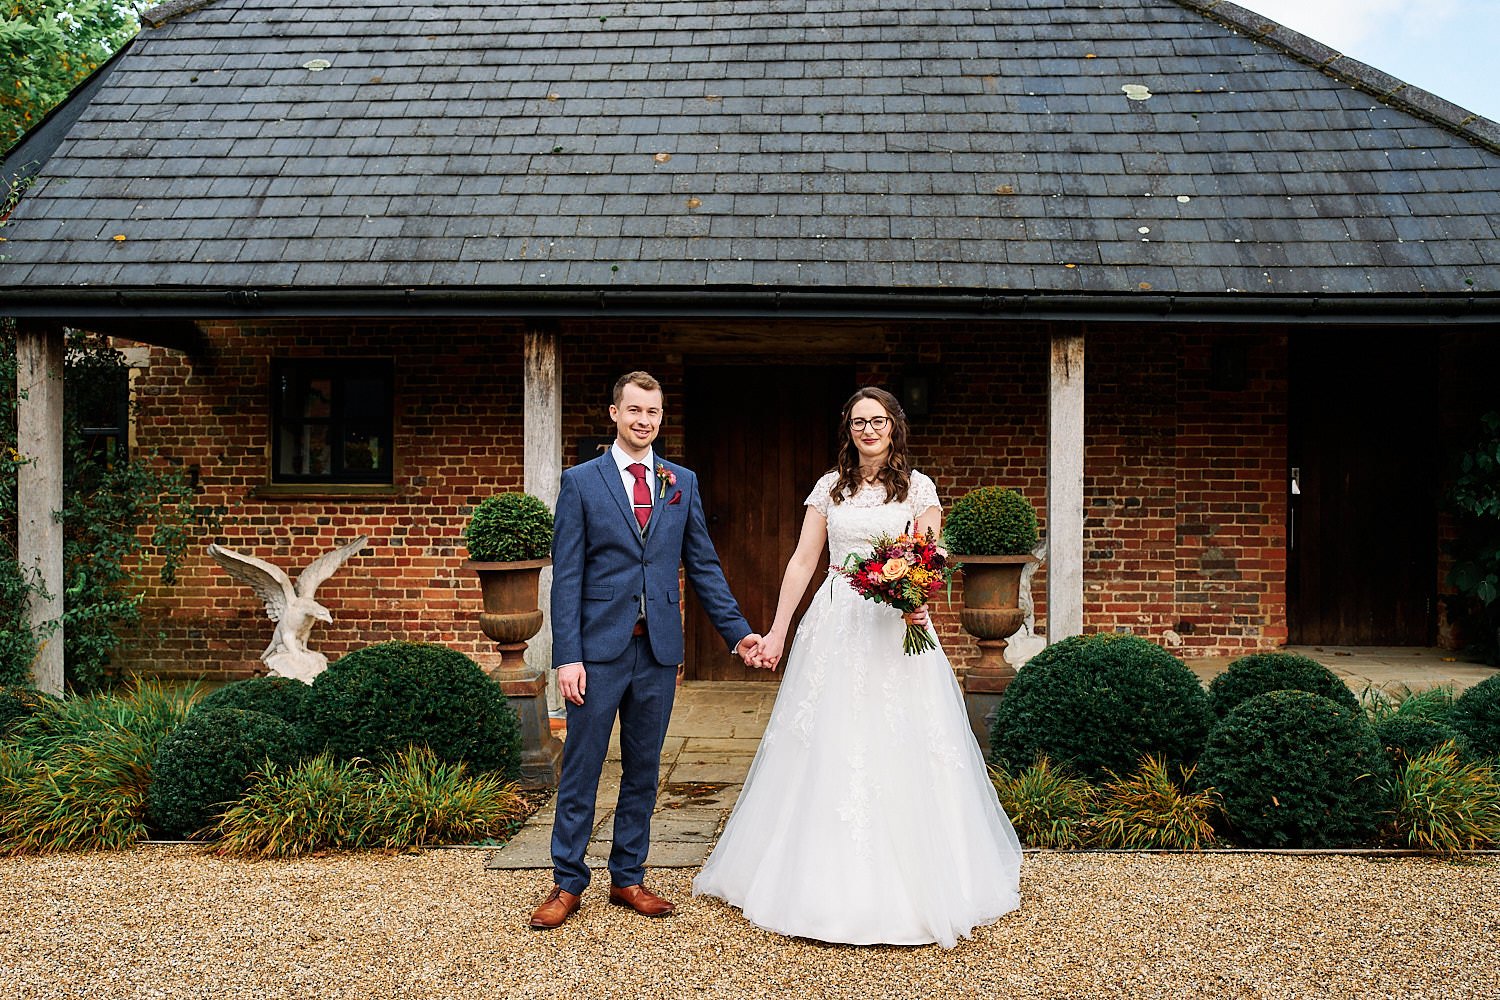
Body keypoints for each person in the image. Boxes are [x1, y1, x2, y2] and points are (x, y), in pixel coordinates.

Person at [692, 386, 1022, 948]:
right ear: (848, 429)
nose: (869, 430)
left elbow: (928, 557)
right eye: (858, 421)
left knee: (903, 735)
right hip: (837, 620)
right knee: (830, 735)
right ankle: (818, 881)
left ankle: (923, 880)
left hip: (895, 625)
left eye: (879, 421)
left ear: (895, 427)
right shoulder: (829, 487)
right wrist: (777, 629)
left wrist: (918, 598)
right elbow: (802, 561)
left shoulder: (919, 489)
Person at [530, 371, 764, 930]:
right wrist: (569, 656)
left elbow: (703, 565)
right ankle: (566, 882)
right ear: (614, 413)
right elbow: (568, 577)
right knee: (583, 768)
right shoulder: (581, 482)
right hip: (597, 653)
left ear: (661, 417)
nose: (644, 421)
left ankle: (628, 876)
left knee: (643, 768)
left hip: (657, 652)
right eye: (634, 410)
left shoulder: (680, 480)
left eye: (653, 413)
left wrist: (738, 634)